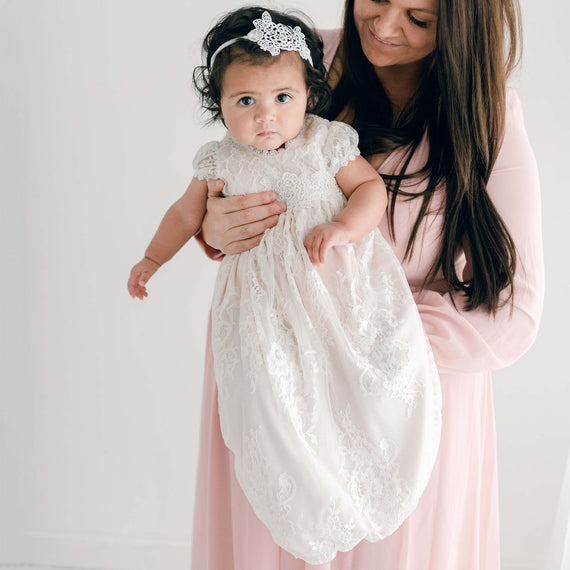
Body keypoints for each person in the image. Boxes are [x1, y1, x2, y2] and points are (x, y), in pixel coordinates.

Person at [192, 0, 544, 569]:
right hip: (273, 392)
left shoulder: (488, 115)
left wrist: (369, 349)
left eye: (419, 19)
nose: (384, 28)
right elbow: (227, 175)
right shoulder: (293, 60)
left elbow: (516, 310)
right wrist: (214, 225)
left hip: (400, 413)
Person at [127, 6, 442, 565]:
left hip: (334, 293)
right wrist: (153, 259)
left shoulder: (326, 143)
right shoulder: (220, 159)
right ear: (218, 105)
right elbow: (183, 214)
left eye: (282, 99)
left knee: (356, 381)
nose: (265, 115)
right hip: (263, 311)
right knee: (269, 398)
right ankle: (303, 500)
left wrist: (343, 226)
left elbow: (371, 192)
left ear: (308, 96)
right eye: (245, 101)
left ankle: (360, 481)